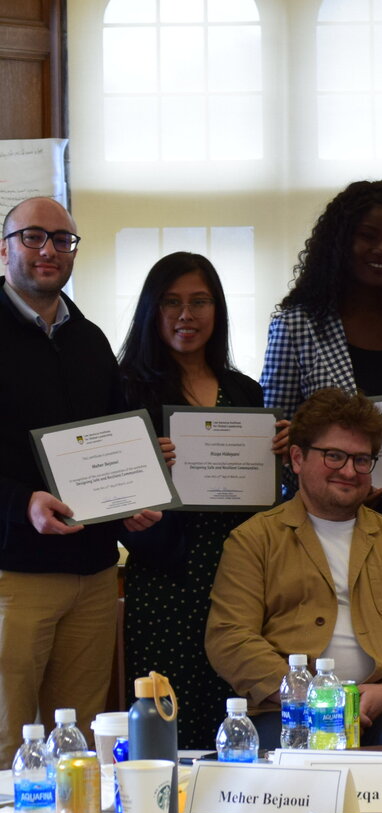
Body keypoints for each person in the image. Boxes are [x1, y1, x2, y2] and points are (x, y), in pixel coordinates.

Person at [0, 196, 161, 758]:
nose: (49, 250)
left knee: (82, 742)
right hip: (14, 575)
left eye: (62, 239)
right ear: (4, 248)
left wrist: (139, 482)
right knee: (7, 739)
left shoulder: (90, 339)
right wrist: (22, 502)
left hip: (93, 573)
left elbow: (109, 440)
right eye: (33, 237)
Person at [207, 388, 382, 746]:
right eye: (334, 456)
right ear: (296, 458)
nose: (349, 471)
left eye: (361, 460)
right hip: (287, 709)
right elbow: (229, 638)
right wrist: (311, 699)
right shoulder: (253, 540)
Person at [117, 252, 268, 748]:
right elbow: (108, 489)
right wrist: (141, 467)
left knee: (233, 706)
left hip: (239, 572)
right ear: (151, 311)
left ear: (218, 310)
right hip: (166, 575)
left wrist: (279, 454)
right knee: (166, 714)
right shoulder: (125, 389)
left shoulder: (245, 392)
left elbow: (265, 498)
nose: (187, 315)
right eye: (172, 302)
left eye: (200, 301)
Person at [262, 180, 382, 558]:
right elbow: (276, 441)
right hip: (328, 526)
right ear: (340, 243)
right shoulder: (297, 326)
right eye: (367, 236)